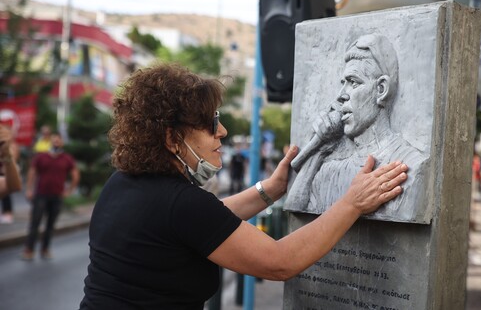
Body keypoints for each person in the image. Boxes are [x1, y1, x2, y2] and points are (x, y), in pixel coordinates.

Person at [78, 62, 409, 309]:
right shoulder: (180, 203)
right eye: (210, 124)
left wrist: (271, 189)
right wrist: (352, 203)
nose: (221, 132)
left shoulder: (122, 184)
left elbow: (206, 221)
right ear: (171, 138)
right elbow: (279, 261)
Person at [285, 33, 428, 221]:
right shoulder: (329, 170)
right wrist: (319, 150)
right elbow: (296, 213)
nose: (341, 95)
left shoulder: (412, 165)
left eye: (353, 82)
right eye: (342, 84)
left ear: (381, 89)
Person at [21, 132, 80, 260]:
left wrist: (69, 191)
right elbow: (32, 172)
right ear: (50, 142)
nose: (56, 143)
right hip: (41, 194)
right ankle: (29, 250)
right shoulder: (41, 157)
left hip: (57, 196)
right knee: (35, 222)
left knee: (50, 225)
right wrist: (29, 189)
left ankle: (45, 249)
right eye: (54, 140)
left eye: (58, 140)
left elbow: (75, 175)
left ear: (62, 142)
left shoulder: (67, 158)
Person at [0, 124, 21, 224]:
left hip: (8, 171)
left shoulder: (12, 146)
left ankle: (7, 212)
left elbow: (13, 186)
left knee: (7, 196)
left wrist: (7, 155)